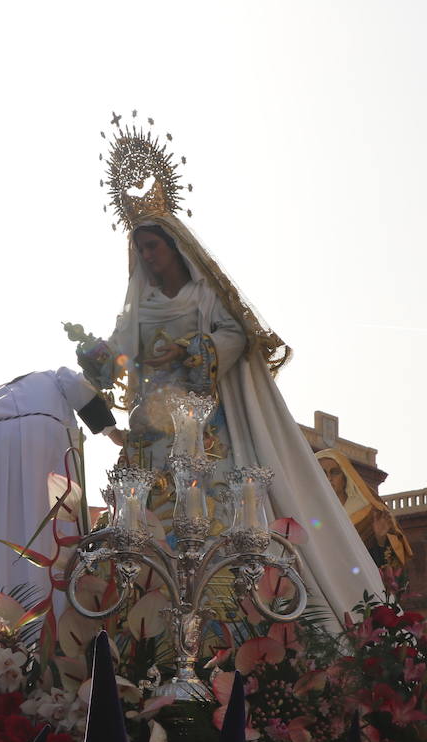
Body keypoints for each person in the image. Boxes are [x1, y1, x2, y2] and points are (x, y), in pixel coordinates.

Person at [84, 213, 385, 623]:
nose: (147, 256)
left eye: (153, 245)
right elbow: (118, 356)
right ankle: (141, 612)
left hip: (201, 428)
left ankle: (221, 612)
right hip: (149, 435)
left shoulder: (204, 297)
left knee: (210, 518)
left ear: (175, 246)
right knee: (141, 522)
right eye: (141, 249)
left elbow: (235, 335)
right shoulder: (141, 308)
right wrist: (98, 359)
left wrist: (191, 349)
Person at [0, 368, 124, 618]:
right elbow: (76, 385)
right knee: (49, 522)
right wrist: (113, 432)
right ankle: (51, 617)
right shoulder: (51, 376)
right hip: (41, 430)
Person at [316, 448, 412, 583]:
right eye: (323, 473)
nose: (329, 478)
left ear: (345, 476)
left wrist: (380, 538)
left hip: (361, 586)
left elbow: (389, 561)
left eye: (335, 472)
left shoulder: (370, 511)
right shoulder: (309, 512)